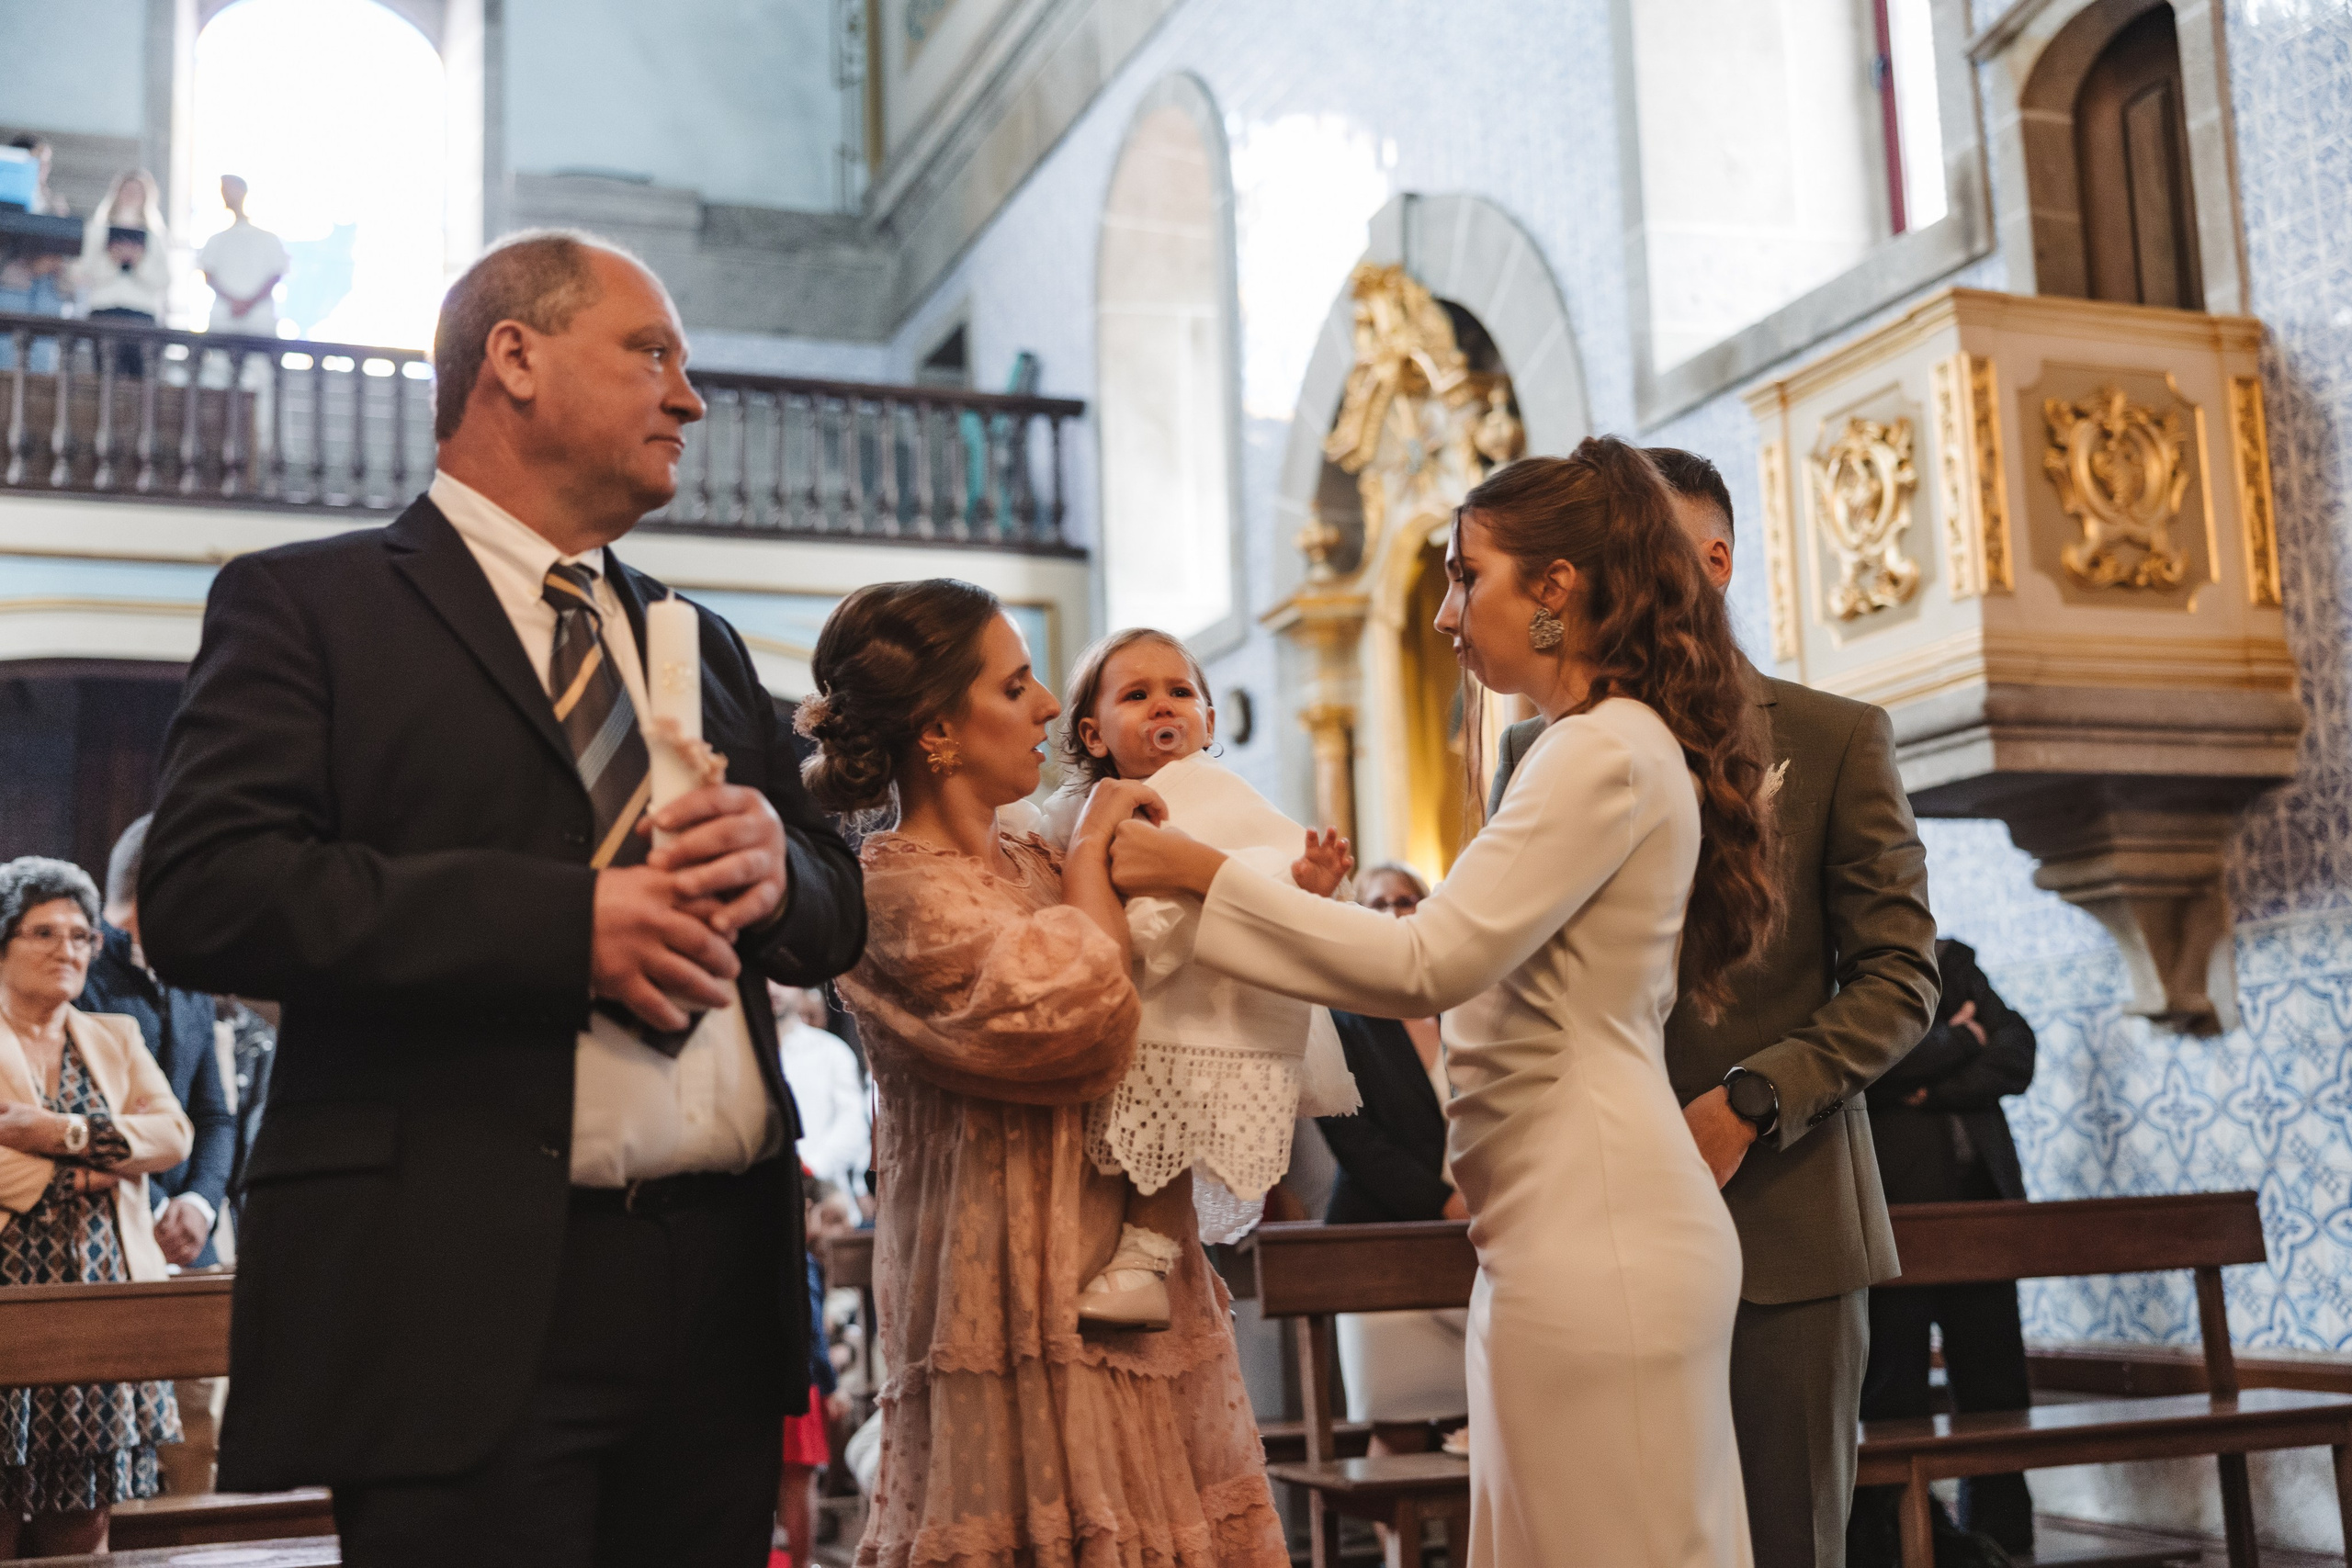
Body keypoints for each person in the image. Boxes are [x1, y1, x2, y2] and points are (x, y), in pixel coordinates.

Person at [136, 228, 867, 1568]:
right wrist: (565, 926)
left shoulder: (688, 636)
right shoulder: (314, 606)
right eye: (652, 353)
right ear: (513, 359)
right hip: (454, 1289)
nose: (690, 397)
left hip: (711, 1291)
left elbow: (838, 906)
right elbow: (204, 889)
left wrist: (779, 865)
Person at [1107, 437, 1784, 1568]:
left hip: (1598, 1232)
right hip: (1563, 1226)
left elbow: (1428, 961)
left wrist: (1199, 881)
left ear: (1555, 588)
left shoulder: (1600, 751)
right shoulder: (1599, 744)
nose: (1445, 615)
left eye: (1466, 576)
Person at [1486, 446, 1940, 1568]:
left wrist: (1751, 1100)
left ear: (1713, 562)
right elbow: (1507, 972)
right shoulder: (1533, 747)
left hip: (1780, 1217)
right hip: (1593, 1220)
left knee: (1786, 1540)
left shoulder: (1834, 739)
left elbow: (1899, 978)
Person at [798, 578, 1287, 1567]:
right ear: (937, 729)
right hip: (1015, 1275)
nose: (1050, 708)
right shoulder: (894, 896)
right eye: (1016, 685)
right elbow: (1087, 1020)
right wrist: (1101, 842)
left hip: (1131, 1265)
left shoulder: (1033, 844)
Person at [1037, 626, 1357, 1327]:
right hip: (1117, 990)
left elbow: (1262, 869)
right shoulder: (1071, 811)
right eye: (1138, 694)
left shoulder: (1219, 790)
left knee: (1171, 1123)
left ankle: (1145, 1260)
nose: (1163, 706)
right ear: (1093, 734)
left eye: (1181, 692)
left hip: (1199, 991)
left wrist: (1306, 877)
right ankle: (1135, 1257)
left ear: (1208, 721)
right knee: (1125, 1141)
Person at [0, 857, 194, 1559]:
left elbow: (173, 1135)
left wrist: (55, 1132)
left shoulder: (114, 1036)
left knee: (82, 1533)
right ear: (3, 941)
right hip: (6, 1306)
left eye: (83, 936)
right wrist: (91, 1174)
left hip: (100, 1312)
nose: (69, 950)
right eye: (44, 932)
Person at [1849, 939, 2038, 1566]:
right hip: (1900, 1221)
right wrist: (1960, 1042)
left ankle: (2003, 1545)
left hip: (1983, 1214)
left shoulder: (1950, 960)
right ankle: (1904, 1546)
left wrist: (1927, 1084)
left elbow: (2017, 1054)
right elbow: (1874, 1067)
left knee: (1998, 1392)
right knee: (1894, 1396)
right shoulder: (1848, 971)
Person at [1313, 862, 1470, 1453]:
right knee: (1398, 1427)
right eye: (1379, 904)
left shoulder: (1464, 1009)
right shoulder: (1344, 1020)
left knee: (1486, 1414)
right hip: (1382, 1244)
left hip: (1474, 1242)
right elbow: (1356, 1140)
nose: (1398, 910)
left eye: (1410, 898)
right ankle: (1393, 1549)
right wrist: (1445, 1202)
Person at [79, 815, 236, 1272]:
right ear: (164, 885)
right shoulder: (75, 972)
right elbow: (79, 1112)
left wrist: (200, 1204)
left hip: (190, 1237)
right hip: (107, 1223)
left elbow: (213, 1115)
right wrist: (155, 1208)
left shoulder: (190, 980)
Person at [772, 983, 867, 1195]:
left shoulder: (831, 1051)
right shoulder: (736, 1055)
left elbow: (853, 1124)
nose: (772, 989)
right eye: (764, 977)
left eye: (779, 979)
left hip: (828, 1198)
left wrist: (809, 1168)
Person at [76, 171, 170, 374]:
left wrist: (138, 262)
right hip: (104, 311)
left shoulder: (156, 236)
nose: (131, 195)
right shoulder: (96, 229)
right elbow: (85, 272)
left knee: (140, 380)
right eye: (127, 190)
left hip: (142, 315)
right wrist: (112, 260)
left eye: (137, 192)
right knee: (106, 377)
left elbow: (164, 279)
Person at [0, 134, 70, 373]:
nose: (43, 168)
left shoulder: (54, 203)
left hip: (45, 289)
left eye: (46, 162)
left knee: (41, 356)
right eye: (38, 161)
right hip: (10, 286)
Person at [197, 176, 288, 338]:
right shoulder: (216, 240)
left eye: (228, 188)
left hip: (259, 322)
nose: (224, 194)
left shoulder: (268, 239)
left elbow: (276, 274)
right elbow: (208, 274)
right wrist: (236, 303)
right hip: (223, 320)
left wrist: (246, 304)